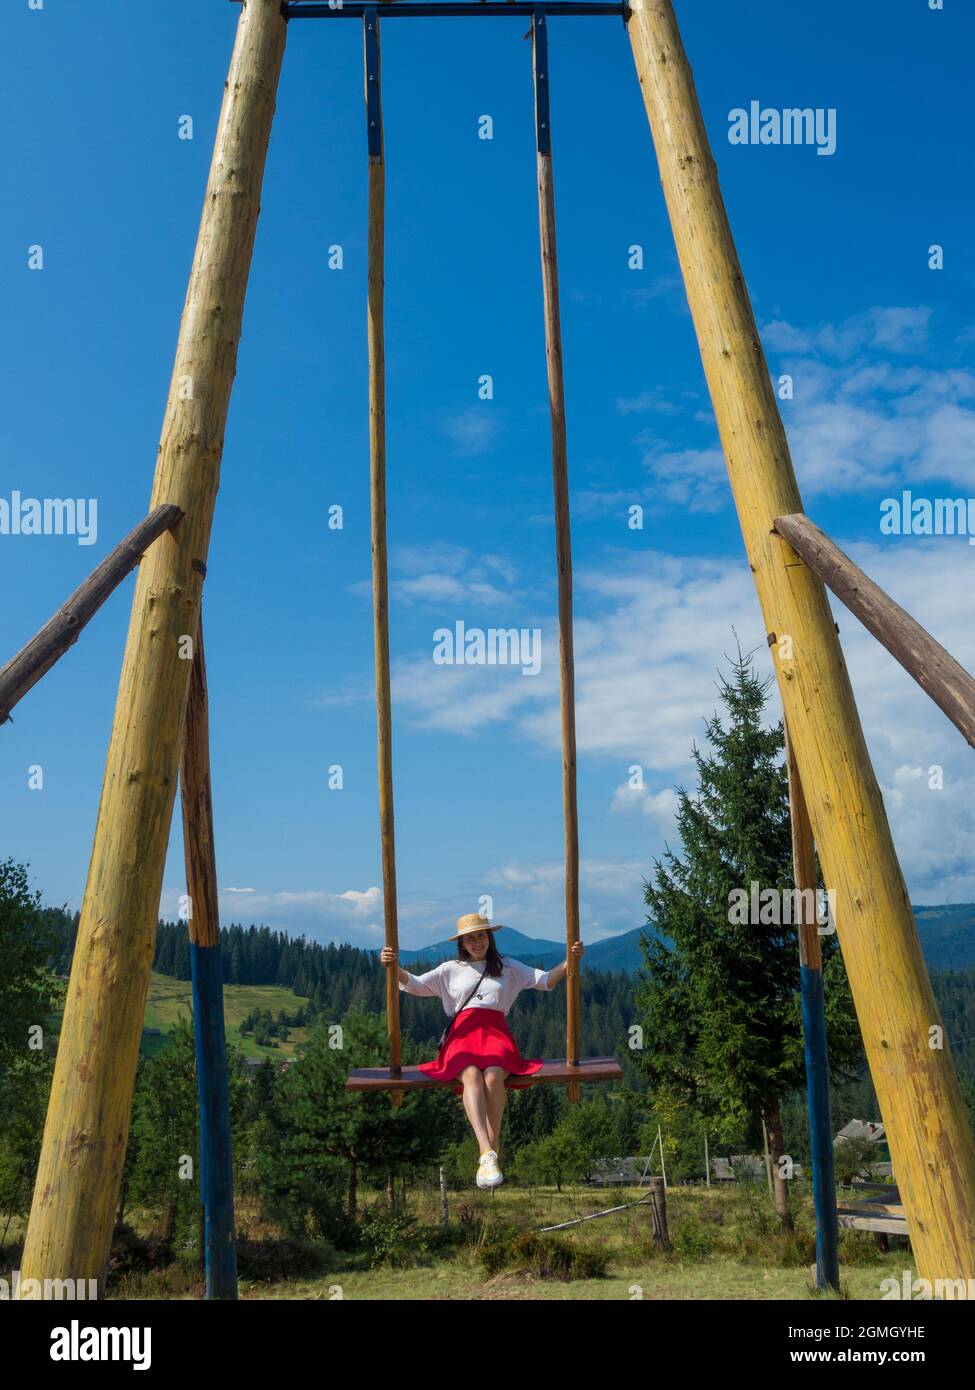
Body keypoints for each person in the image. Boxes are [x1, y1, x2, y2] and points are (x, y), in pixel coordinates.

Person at [380, 911, 585, 1190]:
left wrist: (570, 960)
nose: (476, 942)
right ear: (462, 943)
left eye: (481, 935)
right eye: (470, 938)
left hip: (495, 1034)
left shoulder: (509, 967)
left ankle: (491, 1148)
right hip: (462, 1035)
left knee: (492, 1076)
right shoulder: (449, 969)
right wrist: (394, 967)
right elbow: (414, 985)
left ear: (489, 938)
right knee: (470, 1075)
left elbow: (546, 981)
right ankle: (487, 1150)